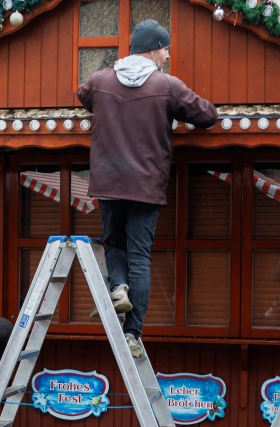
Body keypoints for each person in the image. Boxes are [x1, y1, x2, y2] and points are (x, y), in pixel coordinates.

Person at [77, 19, 218, 357]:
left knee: (114, 244)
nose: (167, 56)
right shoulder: (166, 85)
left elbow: (82, 95)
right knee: (140, 256)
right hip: (145, 184)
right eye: (166, 49)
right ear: (154, 49)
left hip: (108, 181)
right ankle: (133, 334)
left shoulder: (100, 80)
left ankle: (119, 287)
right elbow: (207, 115)